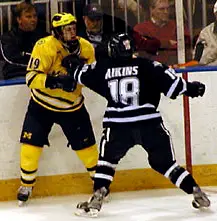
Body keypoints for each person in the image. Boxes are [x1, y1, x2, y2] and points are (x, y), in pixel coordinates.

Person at [62, 33, 210, 218]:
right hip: (150, 124)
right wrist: (194, 88)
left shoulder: (103, 67)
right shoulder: (148, 66)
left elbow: (81, 73)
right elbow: (175, 86)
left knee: (107, 162)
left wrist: (71, 64)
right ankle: (196, 191)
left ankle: (97, 198)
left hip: (118, 126)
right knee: (166, 164)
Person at [17, 12, 99, 206]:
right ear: (57, 32)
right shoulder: (44, 46)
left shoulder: (86, 48)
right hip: (41, 105)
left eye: (73, 28)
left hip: (72, 107)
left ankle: (100, 182)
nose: (71, 32)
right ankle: (26, 185)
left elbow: (93, 75)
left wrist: (80, 75)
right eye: (66, 29)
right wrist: (55, 82)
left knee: (87, 148)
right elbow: (31, 78)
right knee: (30, 145)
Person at [78, 3, 161, 61]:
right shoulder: (77, 37)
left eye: (98, 19)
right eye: (92, 19)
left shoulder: (116, 33)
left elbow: (146, 43)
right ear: (84, 18)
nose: (96, 22)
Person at [0, 1, 48, 79]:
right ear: (19, 19)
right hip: (16, 76)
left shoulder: (45, 37)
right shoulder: (8, 38)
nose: (33, 20)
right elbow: (12, 58)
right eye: (28, 17)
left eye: (35, 16)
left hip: (41, 76)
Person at [134, 0, 190, 65]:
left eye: (168, 9)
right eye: (161, 9)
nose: (166, 12)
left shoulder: (178, 27)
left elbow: (186, 46)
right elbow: (141, 47)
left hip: (176, 68)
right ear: (152, 10)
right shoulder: (140, 28)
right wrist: (167, 43)